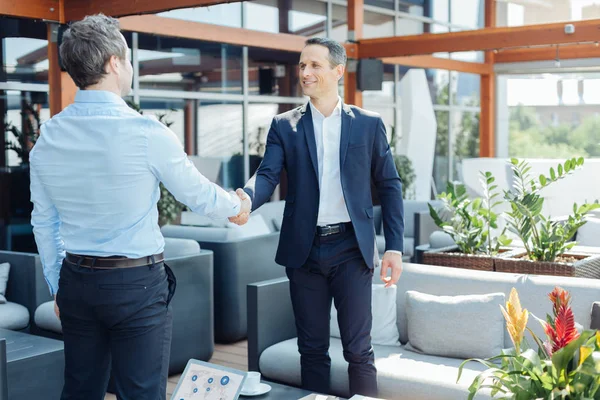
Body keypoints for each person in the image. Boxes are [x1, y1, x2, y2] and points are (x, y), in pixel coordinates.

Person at [29, 14, 250, 400]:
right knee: (142, 393)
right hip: (135, 285)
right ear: (114, 63)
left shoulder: (48, 136)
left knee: (80, 390)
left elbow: (43, 222)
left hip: (76, 282)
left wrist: (58, 287)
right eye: (128, 59)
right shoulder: (146, 132)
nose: (130, 67)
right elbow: (197, 194)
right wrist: (238, 205)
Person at [231, 38, 404, 397]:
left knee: (358, 350)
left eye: (314, 66)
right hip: (304, 251)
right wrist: (247, 198)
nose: (305, 73)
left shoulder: (368, 124)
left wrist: (395, 247)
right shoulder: (284, 125)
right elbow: (267, 175)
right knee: (311, 350)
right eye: (302, 66)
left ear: (338, 71)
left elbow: (390, 185)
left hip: (352, 250)